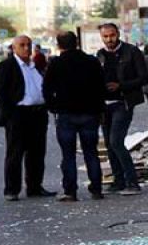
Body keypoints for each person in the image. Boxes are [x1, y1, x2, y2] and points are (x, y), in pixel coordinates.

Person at [42, 31, 106, 202]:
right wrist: (100, 111)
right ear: (76, 42)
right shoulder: (91, 61)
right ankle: (96, 189)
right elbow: (101, 88)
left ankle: (70, 191)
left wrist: (53, 107)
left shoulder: (56, 63)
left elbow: (47, 88)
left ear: (59, 45)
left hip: (65, 114)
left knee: (68, 155)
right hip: (89, 113)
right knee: (91, 153)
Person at [0, 35, 56, 201]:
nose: (26, 48)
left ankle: (34, 187)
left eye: (28, 45)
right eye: (22, 45)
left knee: (37, 153)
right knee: (15, 153)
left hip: (38, 114)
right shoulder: (6, 66)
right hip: (18, 115)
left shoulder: (35, 66)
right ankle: (12, 190)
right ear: (14, 48)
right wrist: (10, 114)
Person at [96, 22, 148, 196]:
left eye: (112, 35)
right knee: (110, 145)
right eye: (105, 36)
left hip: (123, 103)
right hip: (105, 105)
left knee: (116, 141)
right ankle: (118, 180)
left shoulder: (131, 52)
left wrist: (121, 86)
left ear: (118, 34)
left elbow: (143, 78)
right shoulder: (100, 55)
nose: (109, 39)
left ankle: (132, 181)